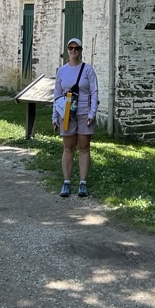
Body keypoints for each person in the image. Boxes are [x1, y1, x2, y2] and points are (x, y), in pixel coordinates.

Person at [52, 38, 98, 197]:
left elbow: (94, 92)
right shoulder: (62, 71)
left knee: (84, 148)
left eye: (76, 48)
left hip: (84, 113)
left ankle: (83, 183)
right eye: (70, 48)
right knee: (68, 148)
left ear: (80, 50)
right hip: (67, 114)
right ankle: (66, 182)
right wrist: (54, 117)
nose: (73, 51)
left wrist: (92, 113)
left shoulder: (88, 70)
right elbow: (57, 95)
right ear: (67, 50)